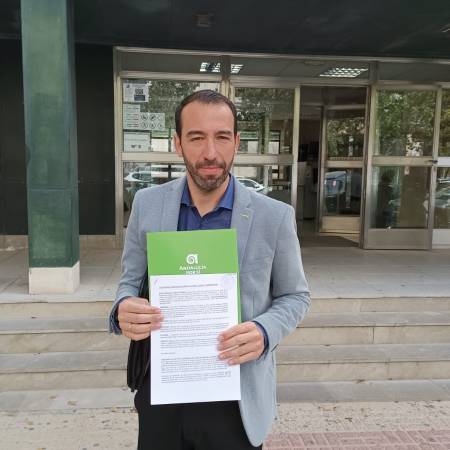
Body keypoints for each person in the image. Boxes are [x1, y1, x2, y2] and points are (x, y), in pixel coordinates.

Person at [109, 90, 310, 449]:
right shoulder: (147, 204)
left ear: (236, 142)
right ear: (178, 143)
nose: (211, 153)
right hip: (163, 390)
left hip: (236, 399)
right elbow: (129, 283)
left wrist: (265, 331)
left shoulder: (274, 216)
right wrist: (123, 308)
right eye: (197, 137)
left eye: (222, 137)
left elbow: (295, 296)